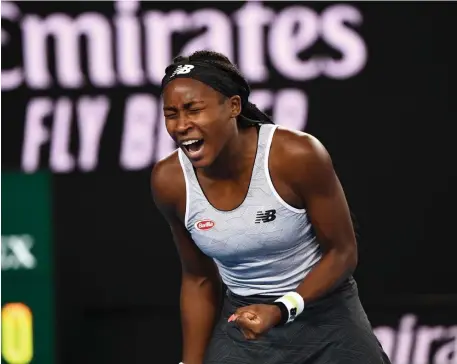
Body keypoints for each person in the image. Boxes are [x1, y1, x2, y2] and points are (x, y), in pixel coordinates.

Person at [151, 50, 391, 364]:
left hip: (327, 314)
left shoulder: (296, 155)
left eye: (193, 110)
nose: (182, 125)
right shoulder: (170, 181)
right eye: (171, 114)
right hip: (244, 320)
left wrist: (281, 309)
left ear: (233, 107)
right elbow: (199, 278)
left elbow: (342, 252)